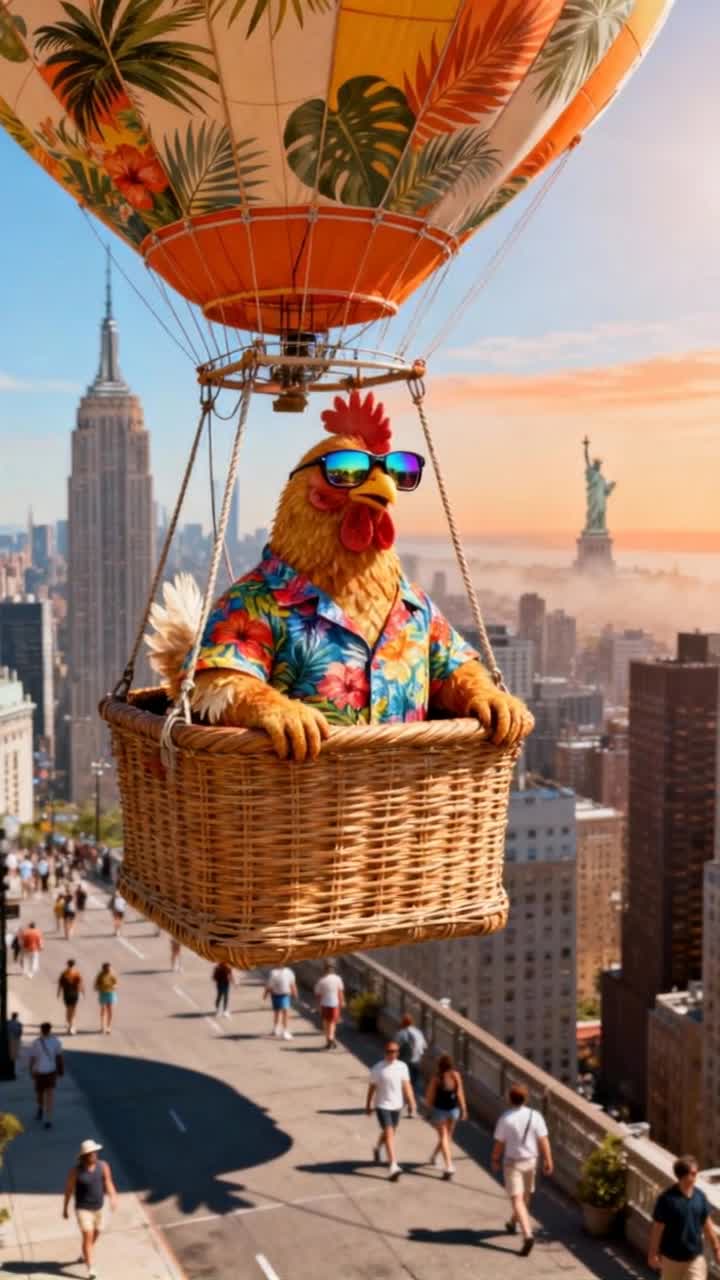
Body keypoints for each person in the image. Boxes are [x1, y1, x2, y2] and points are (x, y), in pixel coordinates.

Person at [491, 1082, 553, 1258]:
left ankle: (527, 1235)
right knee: (525, 1197)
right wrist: (548, 1159)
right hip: (531, 1162)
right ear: (525, 1099)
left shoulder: (506, 1118)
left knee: (517, 1199)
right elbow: (543, 1140)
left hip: (513, 1163)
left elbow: (499, 1143)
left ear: (510, 1099)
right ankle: (513, 1222)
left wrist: (495, 1159)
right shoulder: (536, 1116)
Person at [648, 1155, 720, 1278]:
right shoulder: (667, 1199)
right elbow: (658, 1228)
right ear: (684, 1175)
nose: (696, 1175)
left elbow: (707, 1225)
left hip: (695, 1258)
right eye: (693, 1173)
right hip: (671, 1260)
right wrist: (652, 1253)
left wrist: (716, 1249)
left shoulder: (700, 1197)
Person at [63, 1138, 118, 1280]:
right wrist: (65, 1208)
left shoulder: (103, 1166)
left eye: (95, 1152)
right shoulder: (75, 1171)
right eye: (91, 1153)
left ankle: (85, 1253)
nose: (94, 1155)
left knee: (96, 1233)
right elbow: (69, 1190)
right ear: (84, 1156)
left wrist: (113, 1197)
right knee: (88, 1236)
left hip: (99, 1207)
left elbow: (108, 1182)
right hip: (83, 1209)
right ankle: (91, 1268)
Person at [366, 1040, 415, 1181]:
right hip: (382, 1106)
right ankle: (393, 1166)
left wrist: (411, 1102)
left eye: (394, 1051)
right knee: (389, 1132)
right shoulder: (377, 1068)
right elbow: (372, 1088)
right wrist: (368, 1104)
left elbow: (407, 1086)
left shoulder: (402, 1067)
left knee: (390, 1132)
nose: (391, 1054)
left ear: (398, 1053)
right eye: (389, 1051)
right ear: (385, 1052)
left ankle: (377, 1148)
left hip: (396, 1106)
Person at [425, 1053, 468, 1179]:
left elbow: (430, 1097)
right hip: (453, 1110)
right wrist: (464, 1109)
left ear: (439, 1065)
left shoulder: (436, 1078)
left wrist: (428, 1110)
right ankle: (434, 1156)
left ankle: (448, 1165)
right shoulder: (456, 1076)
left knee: (444, 1137)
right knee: (447, 1138)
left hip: (440, 1111)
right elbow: (460, 1093)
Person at [28, 1021, 64, 1129]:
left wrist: (31, 1070)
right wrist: (61, 1070)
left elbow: (32, 1058)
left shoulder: (36, 1042)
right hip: (49, 1072)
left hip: (41, 1072)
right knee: (47, 1095)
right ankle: (46, 1115)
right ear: (50, 1030)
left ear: (41, 1030)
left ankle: (44, 1114)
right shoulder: (56, 1042)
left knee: (44, 1094)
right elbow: (59, 1057)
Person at [396, 1014, 427, 1115]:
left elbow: (395, 1047)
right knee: (413, 1084)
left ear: (403, 1023)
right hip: (417, 1061)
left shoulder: (401, 1033)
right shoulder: (418, 1032)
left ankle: (408, 1105)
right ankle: (411, 1105)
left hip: (404, 1063)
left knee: (404, 1084)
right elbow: (424, 1046)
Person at [314, 960, 344, 1049]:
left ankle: (328, 1039)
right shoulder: (337, 979)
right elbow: (340, 992)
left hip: (324, 1003)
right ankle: (331, 1037)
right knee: (332, 1022)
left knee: (326, 1022)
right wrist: (342, 1001)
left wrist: (318, 1005)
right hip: (334, 1003)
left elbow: (318, 994)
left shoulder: (322, 980)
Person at [263, 966, 297, 1040]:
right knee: (278, 1012)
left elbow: (292, 983)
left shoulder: (288, 972)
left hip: (284, 994)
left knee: (284, 1012)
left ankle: (283, 1030)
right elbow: (270, 985)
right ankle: (277, 1029)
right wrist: (266, 993)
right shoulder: (274, 972)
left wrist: (294, 993)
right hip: (276, 994)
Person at [58, 959, 85, 1035]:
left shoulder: (64, 973)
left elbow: (60, 984)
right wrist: (83, 992)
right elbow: (80, 983)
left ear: (67, 964)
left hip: (66, 993)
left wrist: (59, 993)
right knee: (73, 1009)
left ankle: (69, 1024)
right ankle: (71, 1026)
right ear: (74, 965)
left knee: (68, 1009)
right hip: (74, 993)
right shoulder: (76, 973)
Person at [94, 962, 118, 1035]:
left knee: (110, 1010)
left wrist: (115, 986)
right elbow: (96, 984)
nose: (108, 969)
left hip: (111, 993)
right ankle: (102, 1026)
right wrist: (97, 987)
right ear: (104, 968)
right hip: (103, 993)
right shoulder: (100, 975)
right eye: (107, 968)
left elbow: (116, 983)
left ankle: (108, 1026)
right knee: (103, 1009)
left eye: (109, 968)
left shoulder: (112, 974)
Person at [7, 1011, 22, 1076]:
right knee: (14, 1057)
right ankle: (13, 1072)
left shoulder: (8, 1023)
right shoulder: (18, 1024)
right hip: (15, 1041)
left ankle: (11, 1071)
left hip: (9, 1041)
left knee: (10, 1056)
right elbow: (20, 1033)